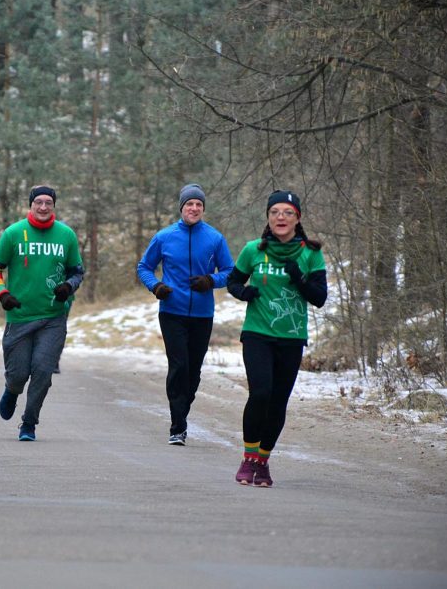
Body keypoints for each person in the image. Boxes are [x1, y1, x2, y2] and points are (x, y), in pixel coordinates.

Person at [226, 190, 327, 488]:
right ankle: (248, 458)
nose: (280, 217)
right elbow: (233, 280)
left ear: (297, 218)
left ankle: (263, 461)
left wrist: (299, 278)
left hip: (291, 337)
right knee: (260, 394)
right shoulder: (253, 250)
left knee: (278, 402)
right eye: (275, 212)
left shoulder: (311, 252)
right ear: (268, 218)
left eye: (287, 213)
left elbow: (319, 298)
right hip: (257, 333)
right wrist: (243, 292)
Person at [137, 183, 234, 446]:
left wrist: (210, 281)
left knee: (193, 371)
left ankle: (181, 409)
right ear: (181, 207)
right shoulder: (165, 236)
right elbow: (144, 266)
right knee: (179, 366)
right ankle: (177, 425)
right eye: (189, 204)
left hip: (202, 314)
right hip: (172, 311)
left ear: (203, 209)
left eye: (199, 205)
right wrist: (156, 286)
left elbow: (229, 271)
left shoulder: (214, 238)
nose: (194, 208)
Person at [0, 185, 84, 441]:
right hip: (19, 317)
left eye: (48, 203)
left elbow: (77, 272)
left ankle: (29, 423)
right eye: (38, 202)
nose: (43, 207)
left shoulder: (66, 235)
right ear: (30, 205)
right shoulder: (13, 234)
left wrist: (68, 286)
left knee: (42, 370)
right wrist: (2, 294)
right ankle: (12, 389)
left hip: (53, 317)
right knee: (19, 374)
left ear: (54, 205)